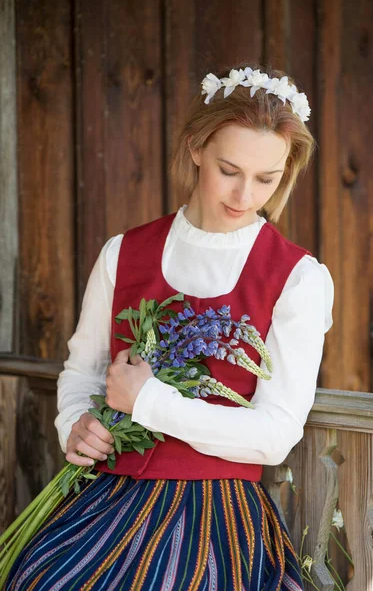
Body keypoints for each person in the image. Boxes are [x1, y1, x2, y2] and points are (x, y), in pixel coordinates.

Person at [5, 63, 334, 590]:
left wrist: (151, 402)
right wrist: (76, 425)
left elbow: (275, 435)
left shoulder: (297, 278)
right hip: (110, 501)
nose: (246, 195)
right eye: (230, 169)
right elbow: (84, 373)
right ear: (196, 148)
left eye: (266, 179)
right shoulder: (123, 253)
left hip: (217, 519)